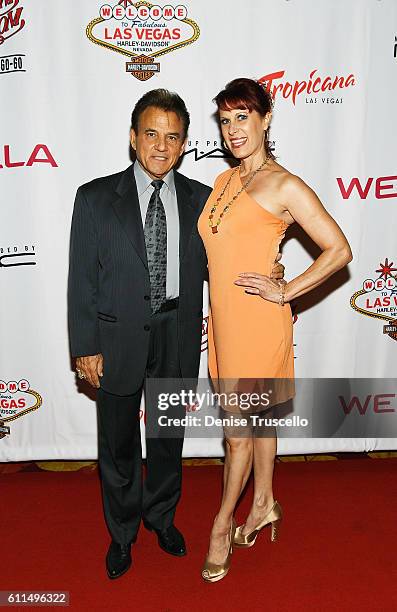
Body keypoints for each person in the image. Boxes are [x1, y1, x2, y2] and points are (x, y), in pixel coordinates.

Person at [67, 88, 285, 579]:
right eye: (151, 134)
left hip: (176, 334)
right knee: (119, 444)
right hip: (116, 339)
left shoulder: (204, 201)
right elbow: (82, 278)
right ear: (133, 138)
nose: (161, 146)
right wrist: (84, 347)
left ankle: (160, 519)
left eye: (173, 136)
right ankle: (122, 535)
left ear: (185, 143)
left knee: (167, 439)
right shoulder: (96, 198)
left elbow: (230, 258)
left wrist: (272, 269)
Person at [197, 78, 352, 583]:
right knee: (259, 422)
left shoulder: (284, 184)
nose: (233, 129)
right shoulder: (223, 182)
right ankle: (263, 503)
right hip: (226, 323)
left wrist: (285, 290)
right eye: (224, 119)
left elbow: (338, 249)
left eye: (242, 116)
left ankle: (222, 525)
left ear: (265, 119)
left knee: (238, 434)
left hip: (259, 323)